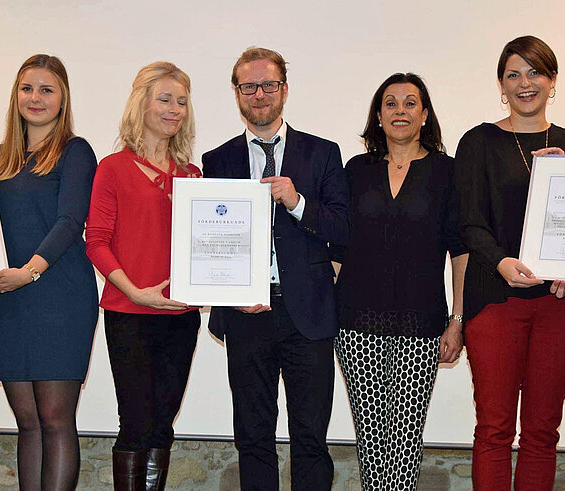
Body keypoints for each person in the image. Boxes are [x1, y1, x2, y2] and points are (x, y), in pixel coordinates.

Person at [201, 46, 349, 491]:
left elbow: (343, 227)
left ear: (284, 90)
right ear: (236, 93)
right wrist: (228, 292)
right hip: (246, 316)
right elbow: (211, 245)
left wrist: (296, 201)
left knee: (310, 437)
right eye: (250, 86)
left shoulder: (322, 153)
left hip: (308, 315)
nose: (259, 94)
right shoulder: (217, 159)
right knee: (252, 437)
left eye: (269, 85)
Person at [454, 35, 565, 490]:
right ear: (501, 84)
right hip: (495, 301)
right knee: (493, 430)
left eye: (535, 72)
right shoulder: (479, 141)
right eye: (513, 74)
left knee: (542, 433)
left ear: (552, 81)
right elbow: (469, 222)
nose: (524, 83)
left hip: (557, 303)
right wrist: (500, 262)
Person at [332, 72, 468, 491]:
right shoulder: (356, 169)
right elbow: (338, 245)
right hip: (357, 324)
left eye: (410, 103)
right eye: (391, 103)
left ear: (425, 114)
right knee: (372, 442)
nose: (400, 111)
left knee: (405, 442)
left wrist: (457, 319)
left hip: (420, 324)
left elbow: (460, 252)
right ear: (378, 114)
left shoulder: (447, 172)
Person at [0, 54, 98, 490]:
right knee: (27, 421)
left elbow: (70, 222)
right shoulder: (0, 156)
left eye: (47, 90)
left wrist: (28, 273)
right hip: (14, 296)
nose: (36, 98)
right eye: (27, 88)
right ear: (15, 95)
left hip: (60, 295)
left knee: (54, 417)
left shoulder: (76, 151)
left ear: (63, 98)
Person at [86, 61, 201, 491]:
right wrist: (136, 292)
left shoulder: (193, 176)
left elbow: (205, 248)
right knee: (134, 422)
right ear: (142, 104)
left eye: (182, 102)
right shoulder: (112, 168)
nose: (175, 110)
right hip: (128, 311)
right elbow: (96, 241)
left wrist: (211, 283)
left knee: (163, 424)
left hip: (181, 315)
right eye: (165, 99)